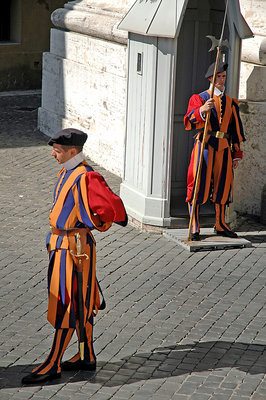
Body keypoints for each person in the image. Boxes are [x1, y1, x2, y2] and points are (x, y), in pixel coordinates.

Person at [22, 128, 127, 384]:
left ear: (72, 151)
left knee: (68, 304)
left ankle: (53, 362)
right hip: (63, 244)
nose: (52, 154)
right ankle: (86, 354)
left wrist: (95, 223)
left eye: (57, 151)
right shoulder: (67, 171)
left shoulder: (87, 177)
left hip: (74, 248)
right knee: (80, 300)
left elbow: (112, 207)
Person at [184, 61, 245, 241]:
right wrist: (202, 110)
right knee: (197, 184)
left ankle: (220, 224)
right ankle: (194, 226)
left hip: (224, 148)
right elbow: (188, 121)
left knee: (223, 186)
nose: (221, 79)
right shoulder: (200, 98)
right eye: (218, 76)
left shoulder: (231, 102)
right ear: (211, 78)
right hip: (205, 145)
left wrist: (236, 154)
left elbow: (236, 131)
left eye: (223, 76)